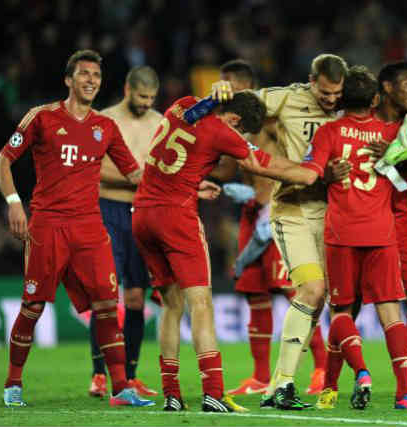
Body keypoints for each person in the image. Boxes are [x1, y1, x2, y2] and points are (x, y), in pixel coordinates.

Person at [131, 90, 320, 412]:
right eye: (242, 132)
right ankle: (213, 393)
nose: (240, 138)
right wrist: (311, 171)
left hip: (143, 214)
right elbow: (263, 164)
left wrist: (192, 182)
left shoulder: (183, 105)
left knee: (171, 305)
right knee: (201, 304)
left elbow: (176, 155)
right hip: (176, 218)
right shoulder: (221, 130)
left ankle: (172, 395)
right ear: (235, 121)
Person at [0, 49, 153, 408]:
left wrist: (183, 185)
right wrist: (14, 203)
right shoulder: (42, 118)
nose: (91, 80)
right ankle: (13, 383)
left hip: (90, 229)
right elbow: (3, 161)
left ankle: (121, 388)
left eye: (96, 75)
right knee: (33, 306)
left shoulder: (105, 127)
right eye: (84, 74)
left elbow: (135, 175)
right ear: (69, 79)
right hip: (48, 226)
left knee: (108, 307)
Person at [264, 65, 407, 409]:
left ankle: (361, 371)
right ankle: (405, 393)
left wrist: (269, 167)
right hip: (381, 233)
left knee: (341, 312)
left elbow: (311, 173)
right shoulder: (390, 133)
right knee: (391, 313)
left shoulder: (328, 133)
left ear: (341, 99)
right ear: (377, 99)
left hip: (341, 234)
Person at [212, 53, 348, 410]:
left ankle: (285, 383)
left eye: (337, 94)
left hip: (337, 213)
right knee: (309, 290)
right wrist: (218, 96)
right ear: (310, 80)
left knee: (325, 299)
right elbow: (241, 107)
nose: (331, 100)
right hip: (294, 210)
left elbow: (394, 107)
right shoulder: (286, 97)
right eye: (325, 92)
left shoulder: (349, 103)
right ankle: (282, 383)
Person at [317, 61, 407, 410]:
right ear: (385, 89)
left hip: (401, 223)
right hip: (368, 220)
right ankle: (330, 384)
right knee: (350, 305)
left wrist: (401, 155)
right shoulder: (370, 119)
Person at [88, 66, 162, 399]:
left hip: (143, 213)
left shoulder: (160, 122)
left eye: (151, 99)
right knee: (106, 295)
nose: (146, 104)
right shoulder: (104, 119)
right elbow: (96, 166)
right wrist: (135, 175)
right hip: (108, 208)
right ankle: (98, 374)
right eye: (142, 97)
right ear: (128, 89)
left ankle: (130, 375)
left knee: (135, 297)